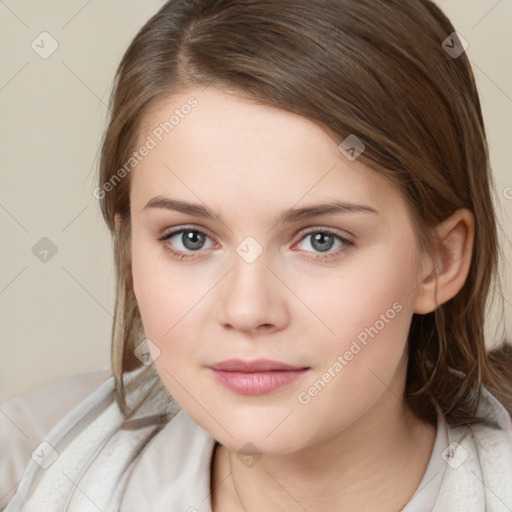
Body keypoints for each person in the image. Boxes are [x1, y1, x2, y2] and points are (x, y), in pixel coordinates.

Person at [2, 0, 512, 510]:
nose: (247, 310)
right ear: (131, 253)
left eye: (321, 240)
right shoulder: (30, 462)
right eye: (190, 238)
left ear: (440, 261)